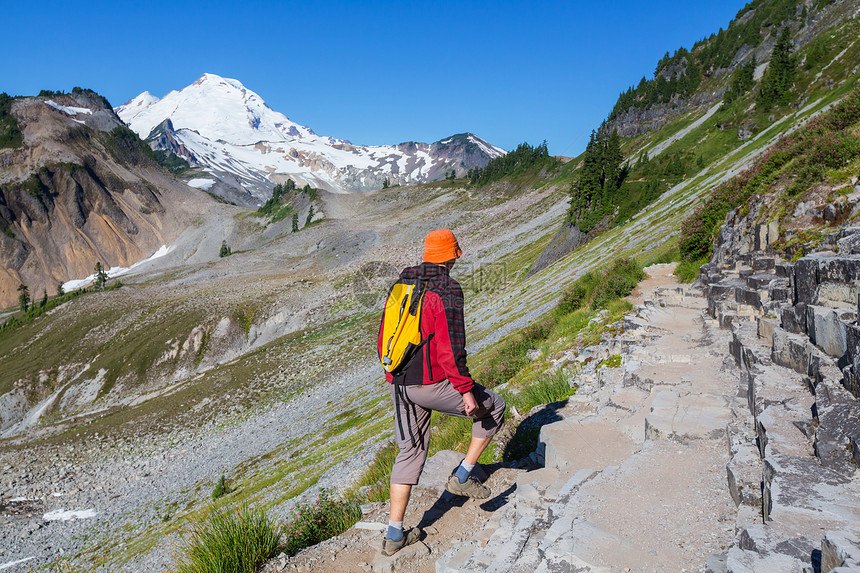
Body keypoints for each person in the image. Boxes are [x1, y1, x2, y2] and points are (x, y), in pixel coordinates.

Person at [377, 228, 506, 556]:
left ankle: (394, 535)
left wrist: (391, 370)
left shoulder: (403, 281)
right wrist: (465, 390)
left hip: (401, 382)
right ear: (452, 256)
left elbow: (386, 330)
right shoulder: (448, 289)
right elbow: (452, 349)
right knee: (494, 407)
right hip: (432, 384)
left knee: (410, 452)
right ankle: (463, 474)